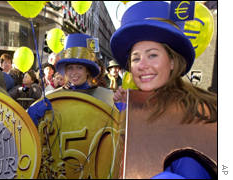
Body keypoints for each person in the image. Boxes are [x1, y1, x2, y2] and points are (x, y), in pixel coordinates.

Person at [110, 1, 217, 179]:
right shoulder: (135, 106)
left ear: (172, 61)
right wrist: (128, 112)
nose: (142, 65)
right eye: (136, 58)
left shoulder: (198, 113)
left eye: (152, 55)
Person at [28, 33, 114, 126]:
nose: (74, 72)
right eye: (70, 68)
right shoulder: (53, 97)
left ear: (87, 71)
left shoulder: (106, 96)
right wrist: (30, 117)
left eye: (79, 67)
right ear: (65, 71)